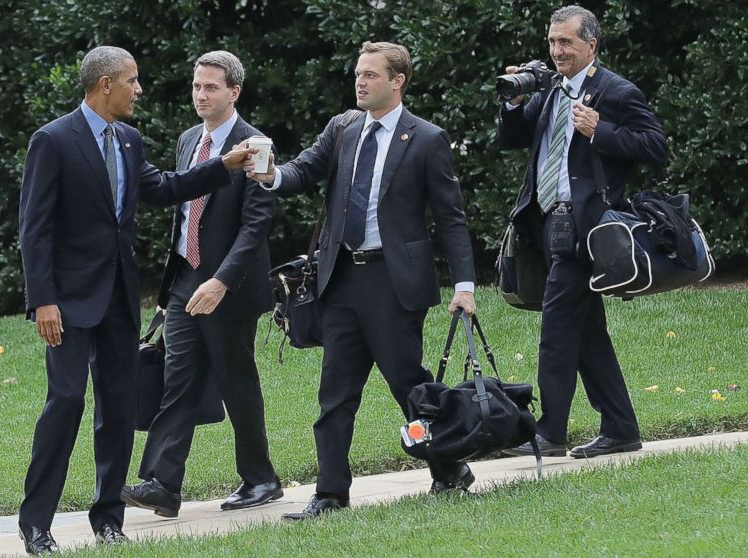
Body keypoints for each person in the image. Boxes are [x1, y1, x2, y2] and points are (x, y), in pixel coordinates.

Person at [17, 46, 255, 553]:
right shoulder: (53, 140)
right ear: (105, 85)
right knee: (65, 403)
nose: (139, 89)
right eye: (132, 80)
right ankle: (36, 524)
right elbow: (33, 229)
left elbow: (164, 188)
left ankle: (108, 518)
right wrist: (43, 300)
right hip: (67, 304)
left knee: (119, 410)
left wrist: (224, 166)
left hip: (119, 301)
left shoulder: (128, 139)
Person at [245, 41, 478, 520]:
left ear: (398, 81)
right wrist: (268, 175)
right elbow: (304, 170)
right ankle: (330, 493)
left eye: (371, 74)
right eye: (358, 73)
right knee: (335, 393)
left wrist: (465, 285)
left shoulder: (427, 138)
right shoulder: (344, 127)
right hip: (342, 279)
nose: (360, 81)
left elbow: (451, 219)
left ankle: (448, 467)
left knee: (408, 386)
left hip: (393, 283)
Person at [497, 6, 668, 459]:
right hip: (549, 226)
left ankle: (549, 433)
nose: (557, 51)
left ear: (591, 45)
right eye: (552, 42)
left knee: (556, 331)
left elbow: (656, 147)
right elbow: (514, 137)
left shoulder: (615, 91)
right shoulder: (552, 88)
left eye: (566, 42)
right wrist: (512, 103)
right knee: (588, 333)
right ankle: (621, 428)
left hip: (585, 228)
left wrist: (601, 131)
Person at [121, 51, 281, 518]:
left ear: (234, 92)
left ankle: (261, 479)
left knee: (237, 381)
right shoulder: (190, 138)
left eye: (211, 87)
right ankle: (162, 484)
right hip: (185, 279)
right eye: (196, 87)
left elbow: (256, 226)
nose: (201, 95)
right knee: (178, 379)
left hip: (229, 286)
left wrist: (221, 282)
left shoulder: (256, 144)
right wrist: (183, 278)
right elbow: (182, 204)